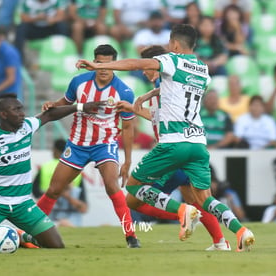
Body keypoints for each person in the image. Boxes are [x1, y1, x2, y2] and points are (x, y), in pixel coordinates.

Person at [76, 24, 255, 252]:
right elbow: (165, 107)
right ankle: (238, 232)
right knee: (204, 199)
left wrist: (99, 65)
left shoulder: (171, 61)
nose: (145, 71)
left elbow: (136, 63)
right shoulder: (203, 69)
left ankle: (183, 213)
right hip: (198, 143)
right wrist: (144, 98)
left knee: (133, 190)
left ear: (175, 45)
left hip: (173, 146)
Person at [0, 93, 103, 250]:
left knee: (56, 246)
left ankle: (22, 236)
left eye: (21, 108)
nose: (22, 113)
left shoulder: (27, 127)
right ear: (3, 114)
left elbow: (49, 115)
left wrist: (80, 107)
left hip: (23, 203)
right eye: (16, 109)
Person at [116, 44, 232, 251]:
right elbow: (158, 119)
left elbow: (162, 120)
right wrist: (132, 108)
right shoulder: (171, 86)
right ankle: (220, 242)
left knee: (133, 200)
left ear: (157, 65)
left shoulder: (165, 89)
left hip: (171, 154)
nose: (144, 72)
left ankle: (182, 214)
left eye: (146, 67)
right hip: (189, 149)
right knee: (198, 201)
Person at [36, 44, 141, 248]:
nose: (103, 68)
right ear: (93, 63)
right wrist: (52, 105)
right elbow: (64, 102)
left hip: (105, 144)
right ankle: (31, 230)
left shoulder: (124, 92)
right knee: (54, 190)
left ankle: (131, 236)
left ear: (116, 65)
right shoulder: (79, 82)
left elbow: (128, 128)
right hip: (77, 144)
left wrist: (127, 161)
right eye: (99, 63)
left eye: (108, 64)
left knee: (112, 186)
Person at [33, 139, 88, 227]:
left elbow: (35, 191)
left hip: (48, 217)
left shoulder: (45, 167)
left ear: (55, 150)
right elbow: (84, 207)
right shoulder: (76, 170)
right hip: (72, 219)